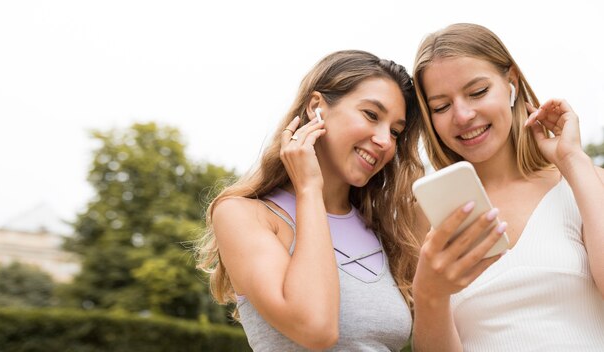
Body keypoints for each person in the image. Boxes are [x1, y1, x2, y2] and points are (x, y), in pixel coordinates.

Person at [195, 50, 424, 351]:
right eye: (371, 115)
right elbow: (316, 328)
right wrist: (309, 190)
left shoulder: (390, 233)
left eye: (395, 132)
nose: (384, 140)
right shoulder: (243, 215)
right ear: (317, 107)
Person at [410, 23, 604, 351]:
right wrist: (429, 295)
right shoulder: (424, 217)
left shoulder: (588, 181)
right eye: (441, 106)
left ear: (511, 83)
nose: (463, 115)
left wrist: (572, 160)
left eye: (477, 92)